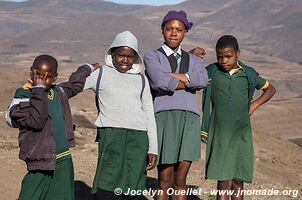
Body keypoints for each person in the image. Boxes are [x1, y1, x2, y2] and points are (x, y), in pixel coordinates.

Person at [5, 54, 99, 200]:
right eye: (38, 75)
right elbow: (37, 120)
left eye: (47, 77)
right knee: (30, 195)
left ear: (55, 77)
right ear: (31, 72)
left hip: (63, 159)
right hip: (40, 161)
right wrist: (38, 90)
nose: (42, 80)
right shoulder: (24, 95)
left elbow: (75, 84)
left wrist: (87, 68)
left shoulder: (58, 92)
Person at [83, 31, 158, 200]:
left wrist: (153, 148)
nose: (125, 60)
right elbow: (75, 86)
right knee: (106, 184)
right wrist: (84, 70)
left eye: (129, 56)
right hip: (111, 135)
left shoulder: (142, 80)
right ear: (112, 54)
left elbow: (149, 114)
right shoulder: (101, 74)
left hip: (138, 138)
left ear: (135, 58)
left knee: (132, 186)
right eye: (121, 55)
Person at [144, 10, 209, 200]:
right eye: (169, 29)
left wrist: (172, 77)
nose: (173, 33)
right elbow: (158, 82)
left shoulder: (194, 59)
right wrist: (190, 79)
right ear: (162, 30)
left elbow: (203, 80)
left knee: (181, 179)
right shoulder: (152, 56)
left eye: (178, 29)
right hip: (164, 117)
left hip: (189, 119)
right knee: (164, 178)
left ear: (184, 33)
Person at [201, 35, 276, 200]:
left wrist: (254, 105)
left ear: (238, 54)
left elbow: (270, 89)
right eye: (220, 57)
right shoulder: (212, 71)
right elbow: (191, 77)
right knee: (223, 178)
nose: (224, 61)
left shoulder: (248, 74)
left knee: (237, 179)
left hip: (241, 132)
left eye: (228, 56)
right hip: (220, 132)